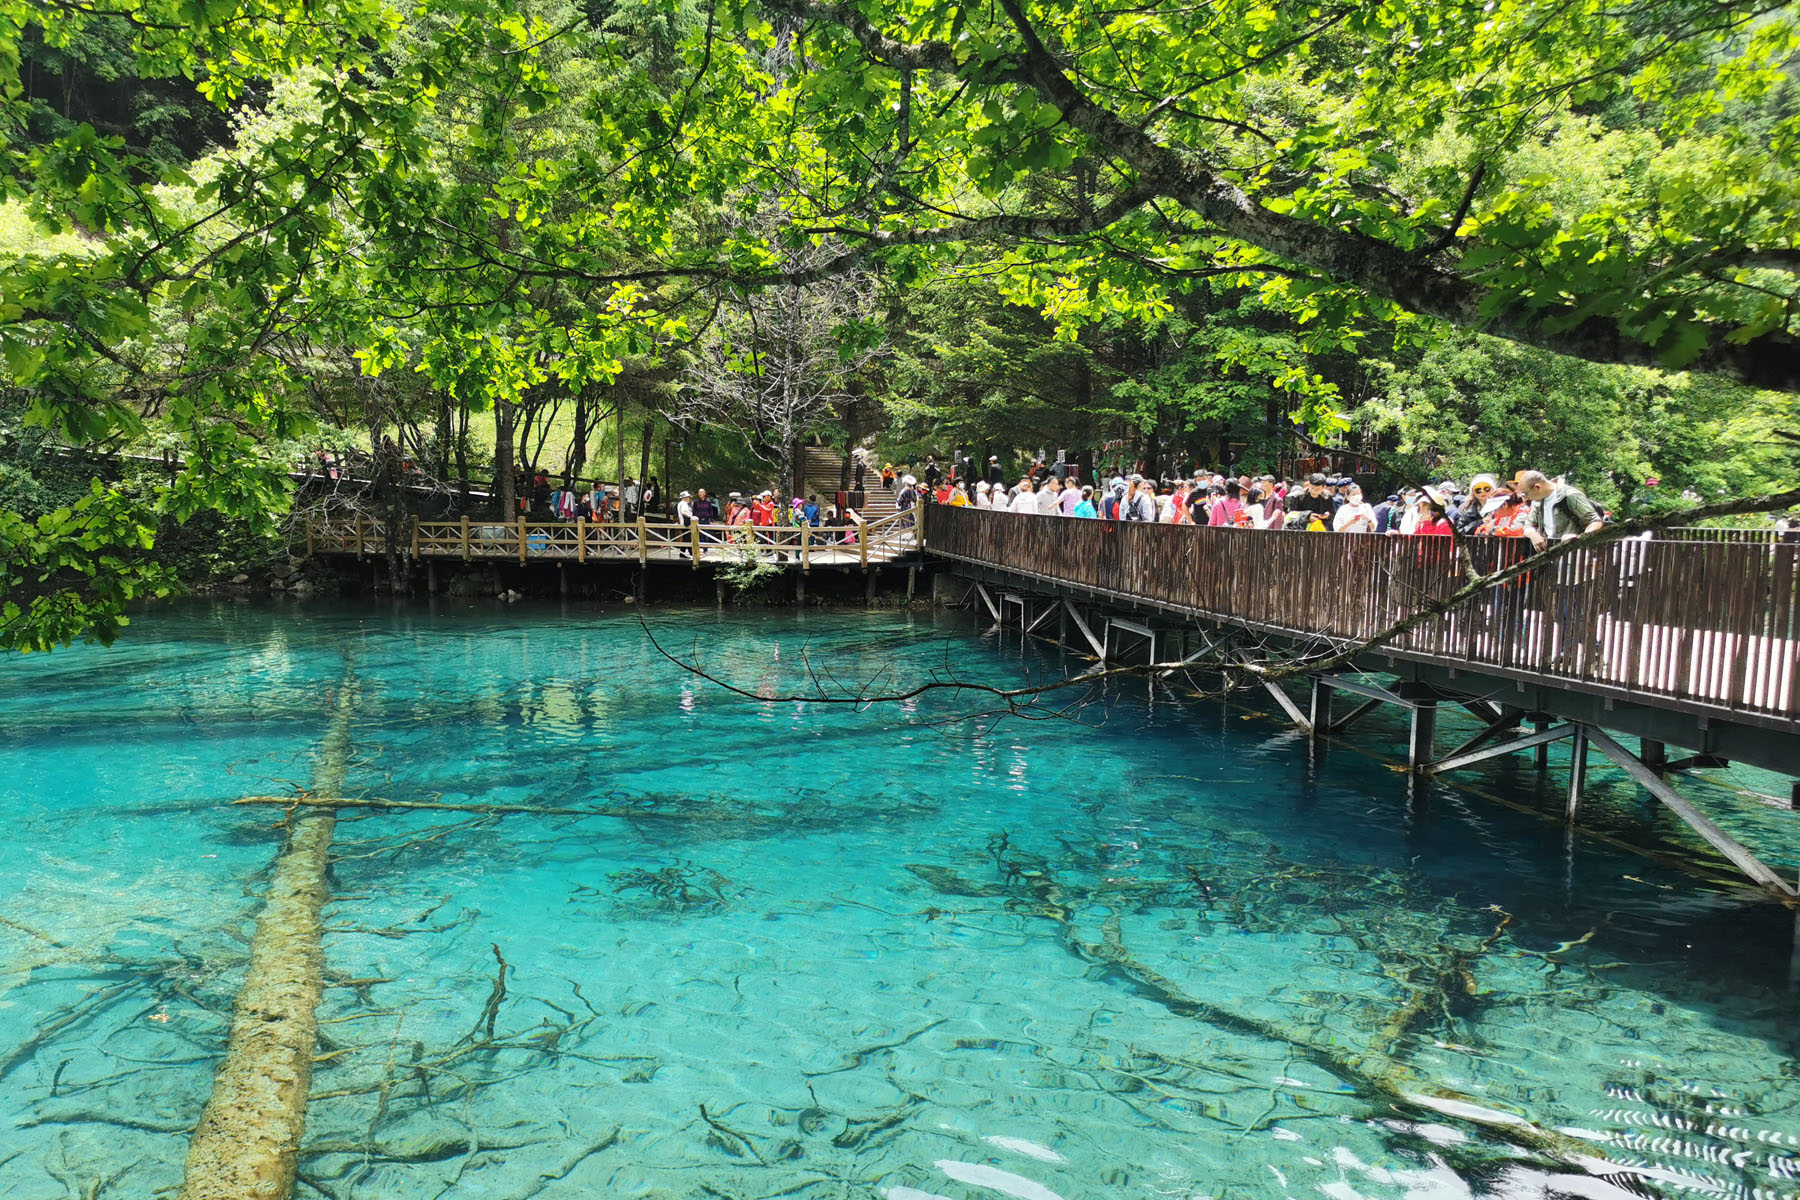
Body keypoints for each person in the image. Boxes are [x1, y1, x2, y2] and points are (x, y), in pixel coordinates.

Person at [1514, 470, 1603, 549]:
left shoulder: (1569, 495)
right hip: (1549, 554)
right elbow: (1528, 525)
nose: (1525, 499)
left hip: (1572, 554)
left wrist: (1578, 539)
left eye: (1525, 494)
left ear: (1537, 487)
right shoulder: (1537, 501)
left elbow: (1595, 521)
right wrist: (1532, 534)